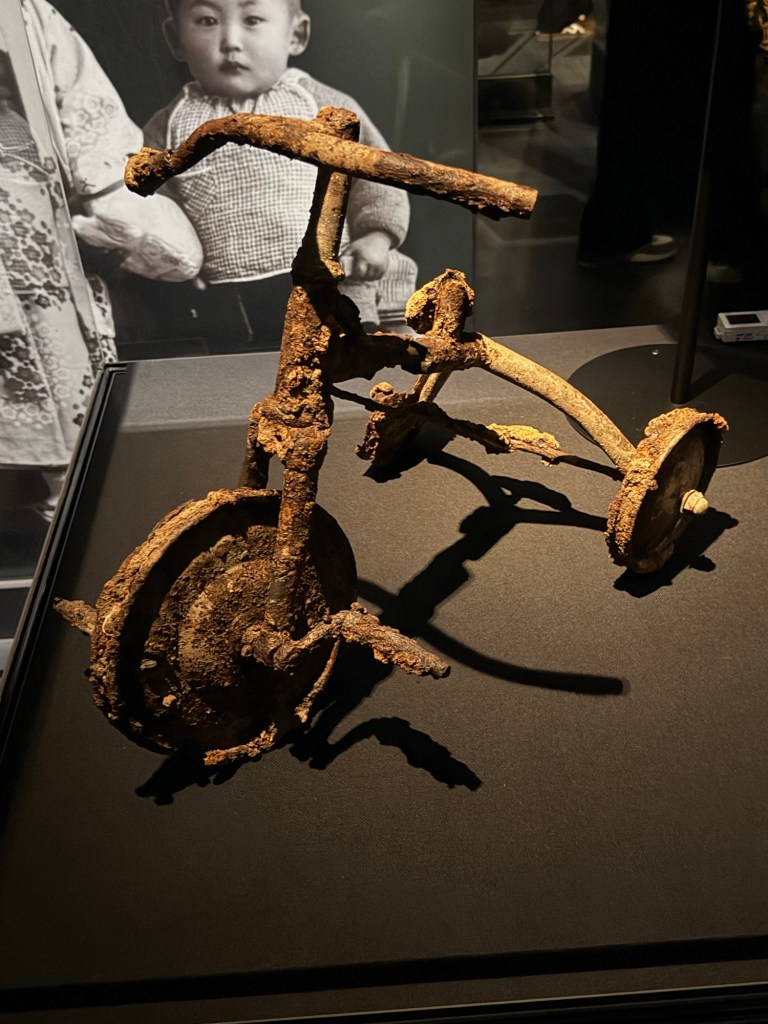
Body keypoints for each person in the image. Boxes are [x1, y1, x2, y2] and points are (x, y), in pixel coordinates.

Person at [0, 0, 202, 535]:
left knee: (72, 440)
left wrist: (108, 197)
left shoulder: (23, 12)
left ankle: (81, 526)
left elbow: (89, 119)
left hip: (28, 207)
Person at [144, 0, 417, 341]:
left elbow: (378, 174)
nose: (230, 41)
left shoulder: (324, 108)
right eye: (207, 21)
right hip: (230, 299)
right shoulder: (169, 128)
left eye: (253, 19)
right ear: (175, 38)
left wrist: (377, 236)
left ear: (296, 35)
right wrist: (174, 260)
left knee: (342, 352)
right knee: (249, 362)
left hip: (331, 283)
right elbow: (157, 208)